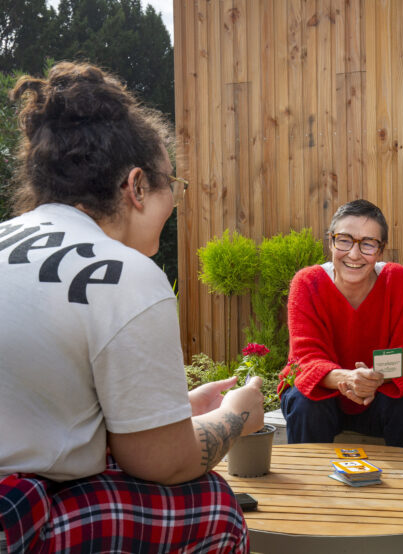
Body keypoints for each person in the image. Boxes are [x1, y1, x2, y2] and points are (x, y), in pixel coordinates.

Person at [0, 62, 264, 553]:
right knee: (214, 503)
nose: (176, 204)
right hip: (12, 518)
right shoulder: (122, 271)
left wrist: (179, 410)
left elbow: (38, 411)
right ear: (137, 186)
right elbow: (165, 463)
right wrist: (233, 416)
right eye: (174, 186)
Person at [279, 199, 403, 449]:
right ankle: (310, 487)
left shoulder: (397, 279)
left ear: (380, 251)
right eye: (344, 240)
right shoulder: (307, 282)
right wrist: (350, 378)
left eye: (368, 244)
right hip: (323, 394)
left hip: (379, 394)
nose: (354, 254)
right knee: (305, 402)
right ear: (331, 241)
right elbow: (306, 358)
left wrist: (371, 380)